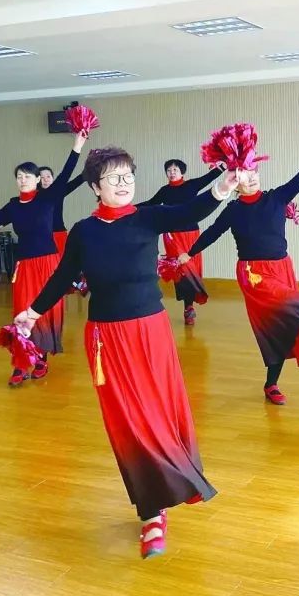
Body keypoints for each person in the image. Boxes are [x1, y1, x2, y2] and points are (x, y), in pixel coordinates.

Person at [15, 146, 238, 559]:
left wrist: (222, 187)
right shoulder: (84, 231)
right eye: (114, 178)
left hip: (151, 333)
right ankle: (152, 512)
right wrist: (32, 312)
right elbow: (63, 276)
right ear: (95, 187)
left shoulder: (148, 216)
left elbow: (190, 210)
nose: (123, 184)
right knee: (129, 423)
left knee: (158, 412)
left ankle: (174, 482)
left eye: (128, 176)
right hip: (107, 340)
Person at [181, 138, 299, 405]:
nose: (252, 177)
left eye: (254, 172)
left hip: (282, 267)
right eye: (245, 175)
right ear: (235, 182)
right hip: (253, 273)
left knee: (282, 325)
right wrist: (190, 252)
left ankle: (271, 384)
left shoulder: (276, 197)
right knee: (288, 302)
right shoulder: (233, 210)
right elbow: (212, 233)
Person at [0, 130, 86, 385]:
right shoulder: (13, 205)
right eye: (19, 177)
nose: (23, 180)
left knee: (43, 312)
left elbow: (66, 173)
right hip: (24, 267)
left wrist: (77, 145)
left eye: (27, 176)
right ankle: (20, 364)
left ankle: (41, 359)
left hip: (47, 265)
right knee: (21, 312)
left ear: (37, 180)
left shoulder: (48, 197)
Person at [139, 160, 223, 326]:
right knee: (181, 270)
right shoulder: (164, 191)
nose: (172, 173)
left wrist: (225, 165)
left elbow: (210, 177)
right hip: (172, 236)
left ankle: (189, 306)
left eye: (175, 170)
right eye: (169, 170)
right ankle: (188, 307)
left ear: (182, 172)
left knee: (192, 268)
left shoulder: (191, 185)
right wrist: (129, 208)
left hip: (192, 235)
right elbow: (150, 204)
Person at [39, 163, 88, 295]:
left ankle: (78, 283)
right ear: (37, 180)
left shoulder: (58, 192)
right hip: (43, 237)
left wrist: (89, 170)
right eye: (42, 177)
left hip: (59, 233)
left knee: (65, 262)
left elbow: (76, 182)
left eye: (48, 176)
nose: (45, 179)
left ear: (53, 178)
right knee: (51, 266)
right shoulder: (35, 197)